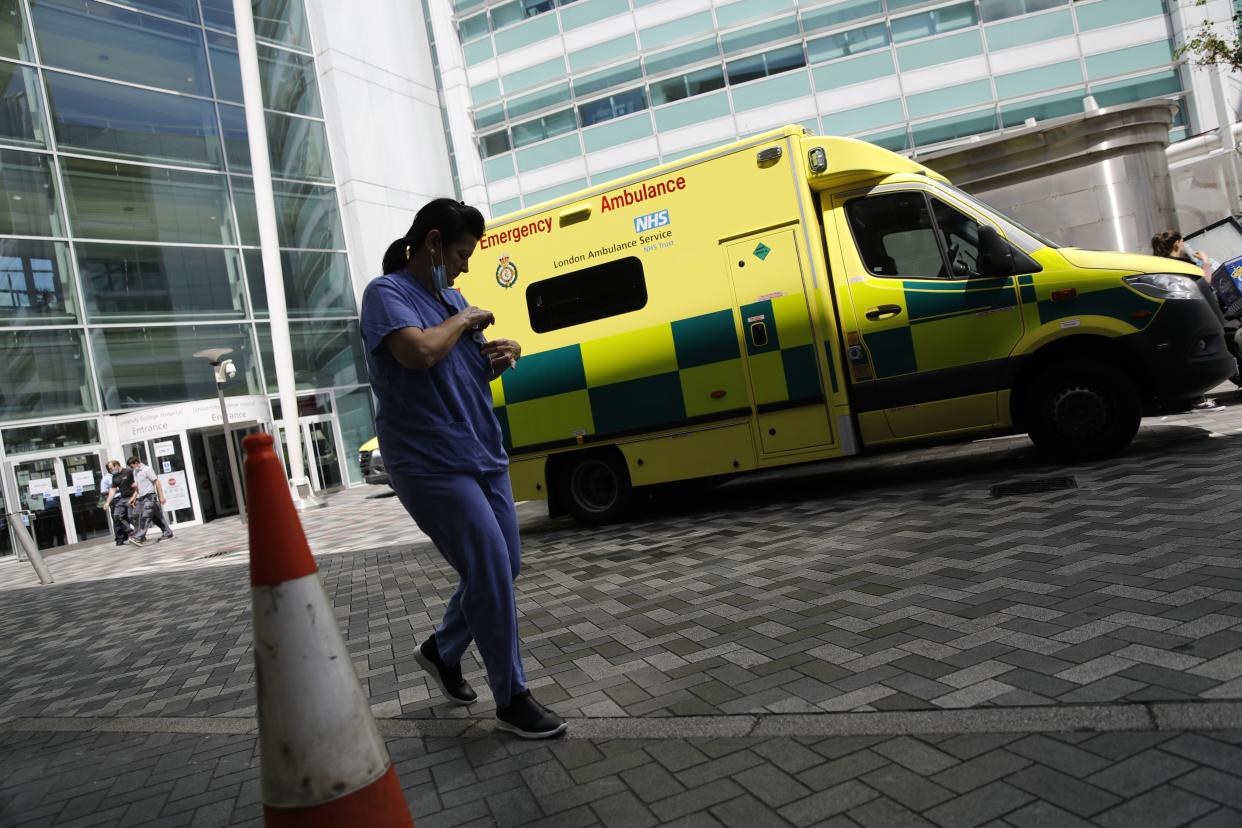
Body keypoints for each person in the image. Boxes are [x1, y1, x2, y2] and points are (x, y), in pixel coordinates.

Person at [359, 198, 565, 739]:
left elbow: (456, 372)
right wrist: (467, 318)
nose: (465, 266)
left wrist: (495, 358)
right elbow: (420, 354)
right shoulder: (386, 294)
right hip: (431, 463)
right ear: (431, 244)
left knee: (504, 566)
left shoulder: (452, 297)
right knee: (491, 568)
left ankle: (442, 649)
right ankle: (512, 698)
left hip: (483, 454)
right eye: (459, 253)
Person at [128, 456, 174, 542]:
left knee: (145, 517)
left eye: (131, 466)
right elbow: (138, 487)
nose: (131, 468)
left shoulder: (147, 469)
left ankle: (138, 537)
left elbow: (156, 481)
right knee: (157, 517)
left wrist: (161, 496)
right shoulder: (135, 472)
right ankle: (168, 533)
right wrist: (133, 498)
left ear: (136, 463)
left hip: (150, 497)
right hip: (142, 498)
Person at [101, 459, 139, 546]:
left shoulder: (129, 472)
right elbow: (112, 490)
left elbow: (137, 484)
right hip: (122, 499)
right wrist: (107, 503)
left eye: (111, 468)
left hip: (132, 497)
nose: (111, 471)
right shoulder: (115, 476)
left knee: (131, 517)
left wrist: (135, 497)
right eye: (109, 469)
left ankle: (139, 535)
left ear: (117, 465)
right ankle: (131, 532)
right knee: (117, 516)